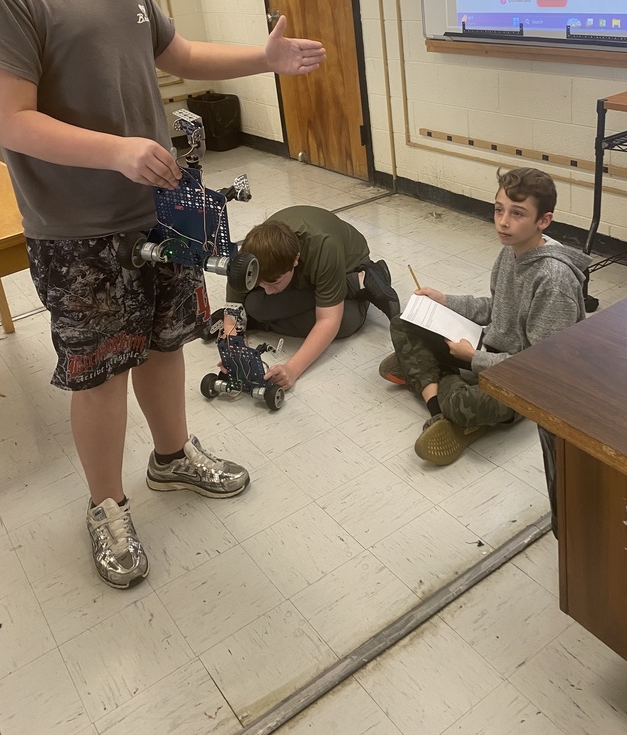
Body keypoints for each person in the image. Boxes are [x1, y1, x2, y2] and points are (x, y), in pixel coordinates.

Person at [0, 0, 326, 589]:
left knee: (167, 342)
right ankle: (105, 502)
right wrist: (121, 150)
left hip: (158, 215)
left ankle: (172, 457)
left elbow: (180, 52)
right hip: (75, 230)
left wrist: (260, 58)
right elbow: (10, 122)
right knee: (99, 372)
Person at [379, 167, 588, 532]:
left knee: (468, 403)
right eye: (498, 210)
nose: (503, 222)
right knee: (404, 321)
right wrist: (445, 300)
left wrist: (471, 358)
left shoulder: (553, 280)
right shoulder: (511, 251)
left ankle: (431, 381)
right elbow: (494, 307)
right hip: (488, 349)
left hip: (525, 382)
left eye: (517, 213)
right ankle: (438, 402)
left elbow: (540, 370)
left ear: (544, 220)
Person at [223, 205, 400, 391]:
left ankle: (359, 279)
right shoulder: (249, 257)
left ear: (295, 259)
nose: (267, 291)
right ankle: (353, 285)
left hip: (348, 264)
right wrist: (234, 349)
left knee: (346, 321)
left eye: (274, 282)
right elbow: (233, 308)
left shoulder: (324, 247)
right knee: (255, 304)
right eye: (260, 284)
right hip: (306, 276)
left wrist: (292, 369)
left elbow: (328, 320)